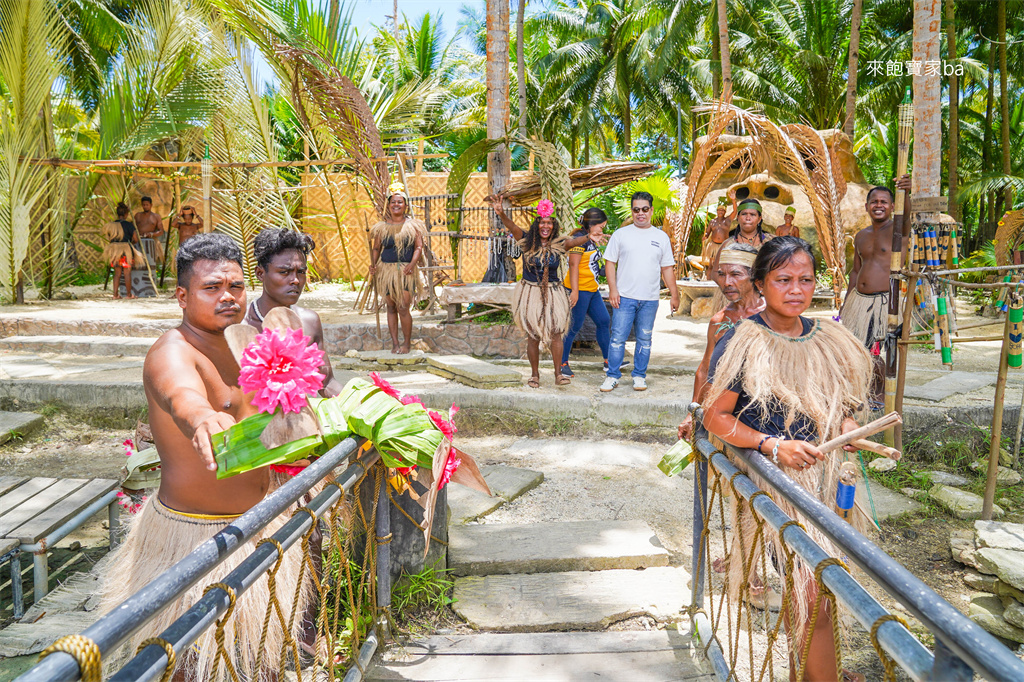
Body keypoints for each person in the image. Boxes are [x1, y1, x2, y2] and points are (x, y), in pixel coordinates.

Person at [99, 234, 309, 681]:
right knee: (187, 668)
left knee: (261, 666)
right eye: (212, 287)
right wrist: (202, 420)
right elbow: (182, 396)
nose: (228, 297)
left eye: (235, 286)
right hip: (192, 543)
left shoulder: (246, 345)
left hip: (257, 527)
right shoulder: (171, 351)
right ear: (182, 296)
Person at [702, 236, 871, 682]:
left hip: (826, 482)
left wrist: (847, 425)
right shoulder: (743, 341)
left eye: (805, 279)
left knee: (825, 590)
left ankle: (815, 672)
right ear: (760, 284)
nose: (796, 289)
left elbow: (843, 400)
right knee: (814, 589)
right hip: (778, 488)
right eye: (783, 280)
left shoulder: (828, 337)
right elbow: (716, 417)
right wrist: (772, 446)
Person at [489, 197, 601, 387]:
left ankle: (558, 374)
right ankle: (535, 375)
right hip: (531, 292)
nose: (546, 226)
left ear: (553, 226)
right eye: (542, 222)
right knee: (533, 335)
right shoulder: (526, 241)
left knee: (556, 333)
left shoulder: (559, 243)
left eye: (549, 223)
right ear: (537, 224)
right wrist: (500, 213)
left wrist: (588, 237)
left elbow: (574, 242)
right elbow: (512, 226)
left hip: (553, 293)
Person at [677, 243, 763, 440]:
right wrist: (692, 414)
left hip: (761, 419)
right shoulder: (719, 321)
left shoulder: (772, 317)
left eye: (735, 274)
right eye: (721, 275)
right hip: (724, 418)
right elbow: (705, 370)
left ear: (755, 276)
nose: (726, 282)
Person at [245, 228, 342, 398]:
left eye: (301, 272)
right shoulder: (241, 323)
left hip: (296, 418)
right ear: (260, 273)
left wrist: (364, 405)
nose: (296, 280)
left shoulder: (309, 322)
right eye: (284, 272)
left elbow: (326, 383)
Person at [841, 176, 912, 404]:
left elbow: (908, 218)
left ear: (892, 207)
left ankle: (881, 392)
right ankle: (866, 389)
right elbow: (855, 271)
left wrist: (906, 193)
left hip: (884, 302)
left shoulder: (897, 231)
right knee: (857, 350)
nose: (878, 205)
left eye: (884, 202)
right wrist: (846, 302)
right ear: (866, 206)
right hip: (859, 301)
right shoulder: (861, 236)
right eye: (874, 201)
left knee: (878, 349)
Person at [601, 191, 679, 392]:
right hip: (624, 297)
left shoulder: (661, 237)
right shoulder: (621, 235)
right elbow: (610, 263)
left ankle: (639, 376)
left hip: (650, 299)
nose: (640, 213)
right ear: (632, 211)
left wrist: (675, 294)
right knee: (618, 338)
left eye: (645, 209)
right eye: (636, 210)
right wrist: (613, 290)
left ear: (651, 210)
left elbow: (667, 268)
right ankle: (612, 376)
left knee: (645, 339)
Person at [369, 183, 426, 354]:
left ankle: (406, 344)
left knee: (403, 306)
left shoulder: (413, 226)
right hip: (386, 271)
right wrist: (373, 265)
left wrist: (411, 265)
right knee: (391, 307)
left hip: (405, 272)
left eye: (400, 202)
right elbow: (376, 248)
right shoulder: (381, 227)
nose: (396, 205)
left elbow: (418, 247)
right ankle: (394, 344)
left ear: (405, 205)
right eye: (393, 202)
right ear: (389, 204)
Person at [560, 208, 611, 377]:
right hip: (579, 290)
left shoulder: (592, 240)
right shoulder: (577, 239)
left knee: (604, 321)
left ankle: (608, 361)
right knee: (573, 327)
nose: (602, 230)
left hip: (592, 289)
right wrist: (574, 291)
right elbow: (573, 266)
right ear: (591, 224)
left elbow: (595, 266)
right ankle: (562, 363)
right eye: (600, 227)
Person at [101, 202, 144, 299]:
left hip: (114, 251)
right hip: (126, 251)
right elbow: (136, 239)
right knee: (127, 273)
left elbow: (109, 238)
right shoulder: (129, 225)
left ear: (117, 213)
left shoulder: (111, 225)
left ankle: (115, 295)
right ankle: (129, 295)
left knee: (117, 273)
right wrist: (130, 244)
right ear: (126, 214)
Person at [134, 195, 165, 265]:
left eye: (147, 205)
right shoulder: (137, 215)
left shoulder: (156, 217)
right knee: (139, 263)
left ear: (151, 205)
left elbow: (161, 231)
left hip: (151, 242)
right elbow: (133, 229)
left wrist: (151, 234)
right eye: (144, 205)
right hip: (138, 241)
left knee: (150, 262)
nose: (145, 206)